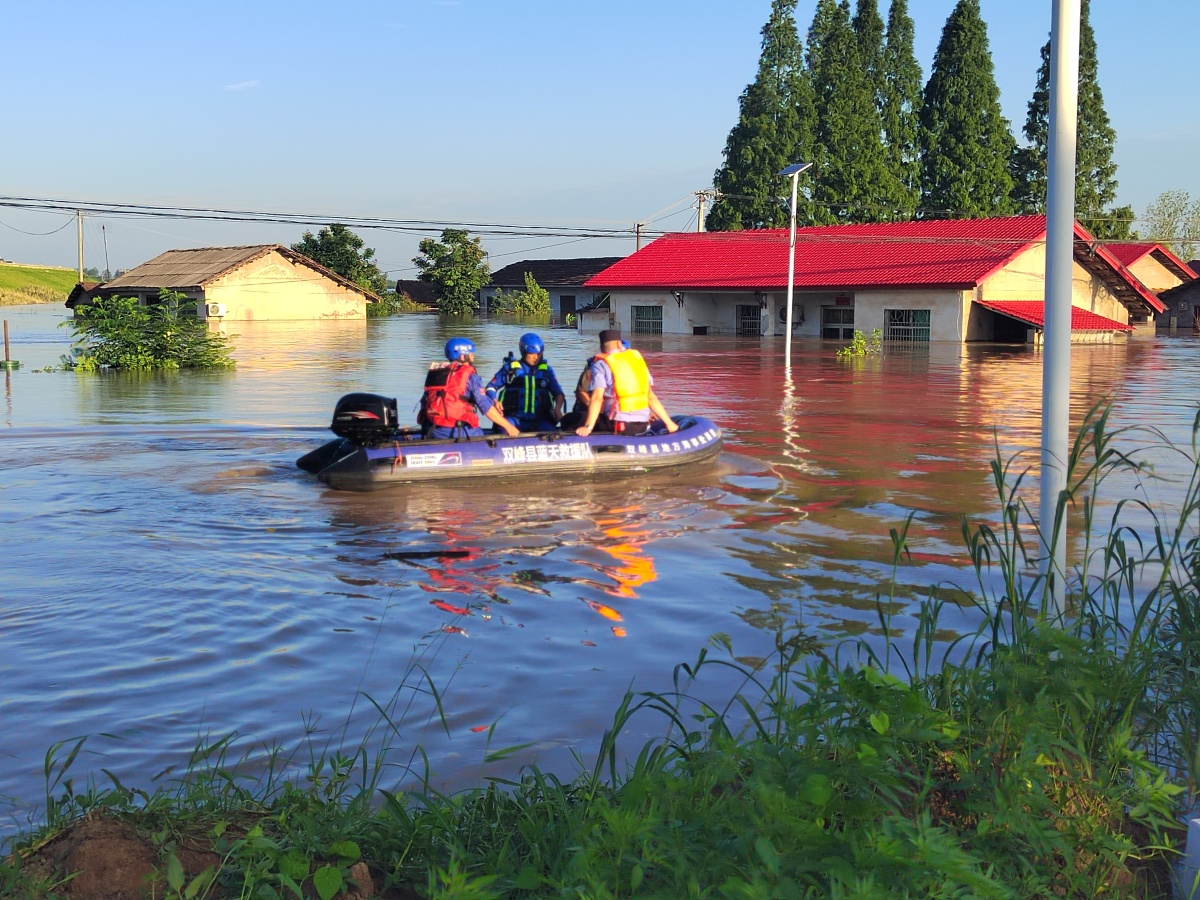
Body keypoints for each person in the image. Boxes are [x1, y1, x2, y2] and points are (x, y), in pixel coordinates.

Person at [574, 329, 678, 437]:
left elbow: (597, 398)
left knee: (570, 419)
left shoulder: (600, 364)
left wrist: (588, 427)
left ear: (601, 347)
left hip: (618, 424)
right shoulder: (637, 361)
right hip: (643, 424)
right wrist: (669, 423)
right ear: (619, 344)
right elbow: (650, 397)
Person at [418, 337, 520, 439]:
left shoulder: (435, 374)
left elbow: (424, 402)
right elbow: (486, 408)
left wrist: (493, 401)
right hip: (457, 431)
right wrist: (509, 427)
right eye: (470, 353)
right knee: (483, 434)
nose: (473, 355)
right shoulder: (471, 377)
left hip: (433, 430)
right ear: (462, 356)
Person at [485, 332, 565, 432]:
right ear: (523, 352)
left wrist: (557, 408)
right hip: (513, 418)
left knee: (552, 433)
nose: (536, 357)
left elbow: (558, 393)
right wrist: (494, 401)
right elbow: (490, 387)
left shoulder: (547, 371)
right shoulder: (510, 369)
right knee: (504, 430)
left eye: (539, 354)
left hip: (540, 420)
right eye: (532, 354)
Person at [561, 338, 628, 432]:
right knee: (568, 419)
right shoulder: (594, 369)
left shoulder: (629, 372)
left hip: (618, 416)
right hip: (595, 411)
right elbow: (581, 392)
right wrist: (596, 410)